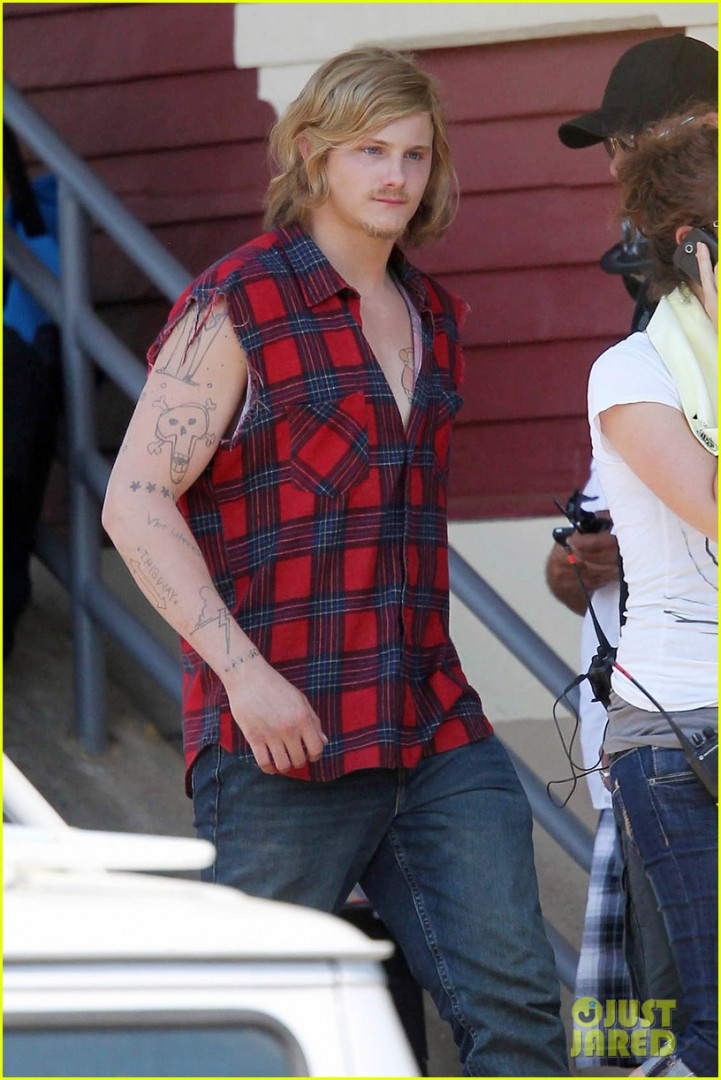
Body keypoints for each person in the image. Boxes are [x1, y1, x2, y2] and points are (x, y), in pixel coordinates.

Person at [102, 47, 568, 1076]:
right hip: (284, 736)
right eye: (369, 151)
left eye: (414, 154)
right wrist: (243, 676)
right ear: (312, 153)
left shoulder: (433, 316)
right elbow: (134, 500)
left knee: (519, 1014)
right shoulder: (238, 302)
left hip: (431, 722)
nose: (395, 175)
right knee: (238, 1038)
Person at [547, 34, 717, 1071]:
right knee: (662, 1022)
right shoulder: (638, 350)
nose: (615, 169)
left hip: (661, 721)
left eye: (626, 144)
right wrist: (577, 559)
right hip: (666, 733)